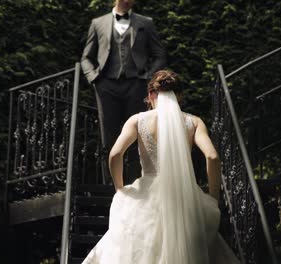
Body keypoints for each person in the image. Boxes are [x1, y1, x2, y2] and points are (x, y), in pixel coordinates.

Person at [82, 70, 240, 264]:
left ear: (150, 95)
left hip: (146, 194)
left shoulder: (137, 120)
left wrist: (120, 189)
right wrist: (213, 198)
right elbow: (213, 156)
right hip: (184, 195)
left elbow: (115, 154)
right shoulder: (194, 122)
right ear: (179, 96)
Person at [81, 0, 166, 183]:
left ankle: (137, 182)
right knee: (108, 136)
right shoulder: (98, 23)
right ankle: (110, 185)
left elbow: (159, 55)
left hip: (136, 85)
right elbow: (86, 57)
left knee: (139, 134)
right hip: (107, 86)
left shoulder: (146, 23)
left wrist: (147, 77)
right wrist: (94, 78)